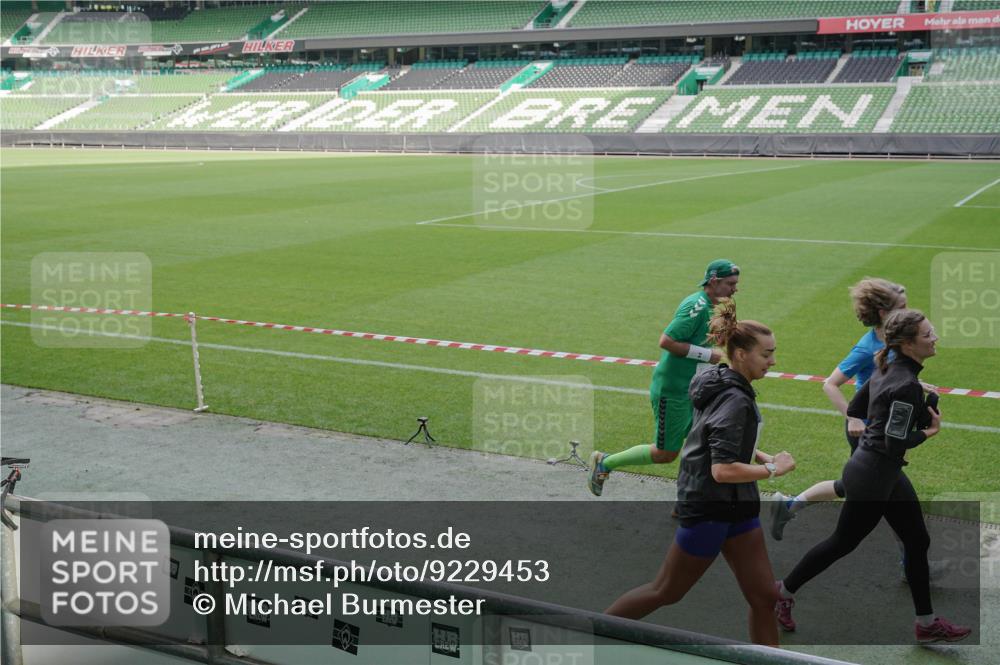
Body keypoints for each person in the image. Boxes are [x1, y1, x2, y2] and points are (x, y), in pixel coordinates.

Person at [774, 309, 971, 644]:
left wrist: (903, 406)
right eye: (927, 334)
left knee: (917, 540)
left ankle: (926, 624)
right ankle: (782, 592)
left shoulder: (888, 369)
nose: (935, 337)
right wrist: (929, 430)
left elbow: (856, 409)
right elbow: (896, 442)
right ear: (908, 344)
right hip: (874, 476)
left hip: (878, 470)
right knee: (842, 542)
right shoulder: (904, 382)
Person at [604, 301, 795, 646]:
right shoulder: (735, 400)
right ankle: (591, 631)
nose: (773, 361)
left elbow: (713, 436)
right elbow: (722, 470)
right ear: (740, 355)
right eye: (766, 354)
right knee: (665, 591)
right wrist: (772, 468)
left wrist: (755, 452)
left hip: (738, 507)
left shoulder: (718, 379)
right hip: (710, 508)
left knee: (764, 598)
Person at [588, 259, 740, 496]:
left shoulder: (715, 307)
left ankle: (698, 497)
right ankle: (605, 462)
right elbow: (667, 341)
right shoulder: (696, 306)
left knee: (706, 439)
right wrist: (707, 355)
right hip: (674, 391)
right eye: (730, 283)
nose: (735, 289)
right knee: (665, 454)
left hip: (694, 389)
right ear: (713, 281)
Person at [770, 278, 906, 538]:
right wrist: (853, 418)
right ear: (883, 313)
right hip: (865, 428)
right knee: (884, 488)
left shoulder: (897, 339)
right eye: (902, 307)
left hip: (883, 427)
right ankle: (910, 548)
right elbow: (830, 384)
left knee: (864, 486)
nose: (908, 311)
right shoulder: (866, 348)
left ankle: (789, 506)